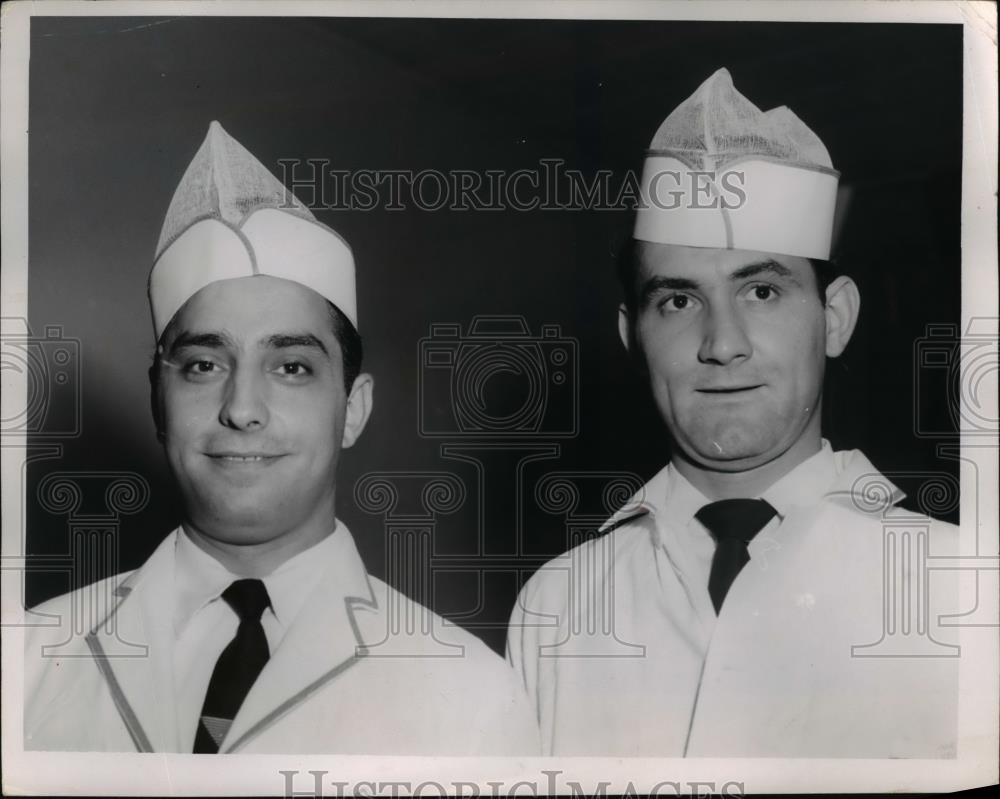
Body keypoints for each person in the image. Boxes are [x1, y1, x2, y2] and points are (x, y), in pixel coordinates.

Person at [25, 122, 540, 755]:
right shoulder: (24, 659)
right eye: (203, 365)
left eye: (291, 367)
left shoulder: (471, 694)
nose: (242, 409)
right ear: (159, 400)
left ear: (353, 409)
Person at [507, 68, 960, 758]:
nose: (722, 344)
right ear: (634, 336)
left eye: (763, 292)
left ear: (834, 318)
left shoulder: (959, 588)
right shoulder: (557, 607)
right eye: (679, 301)